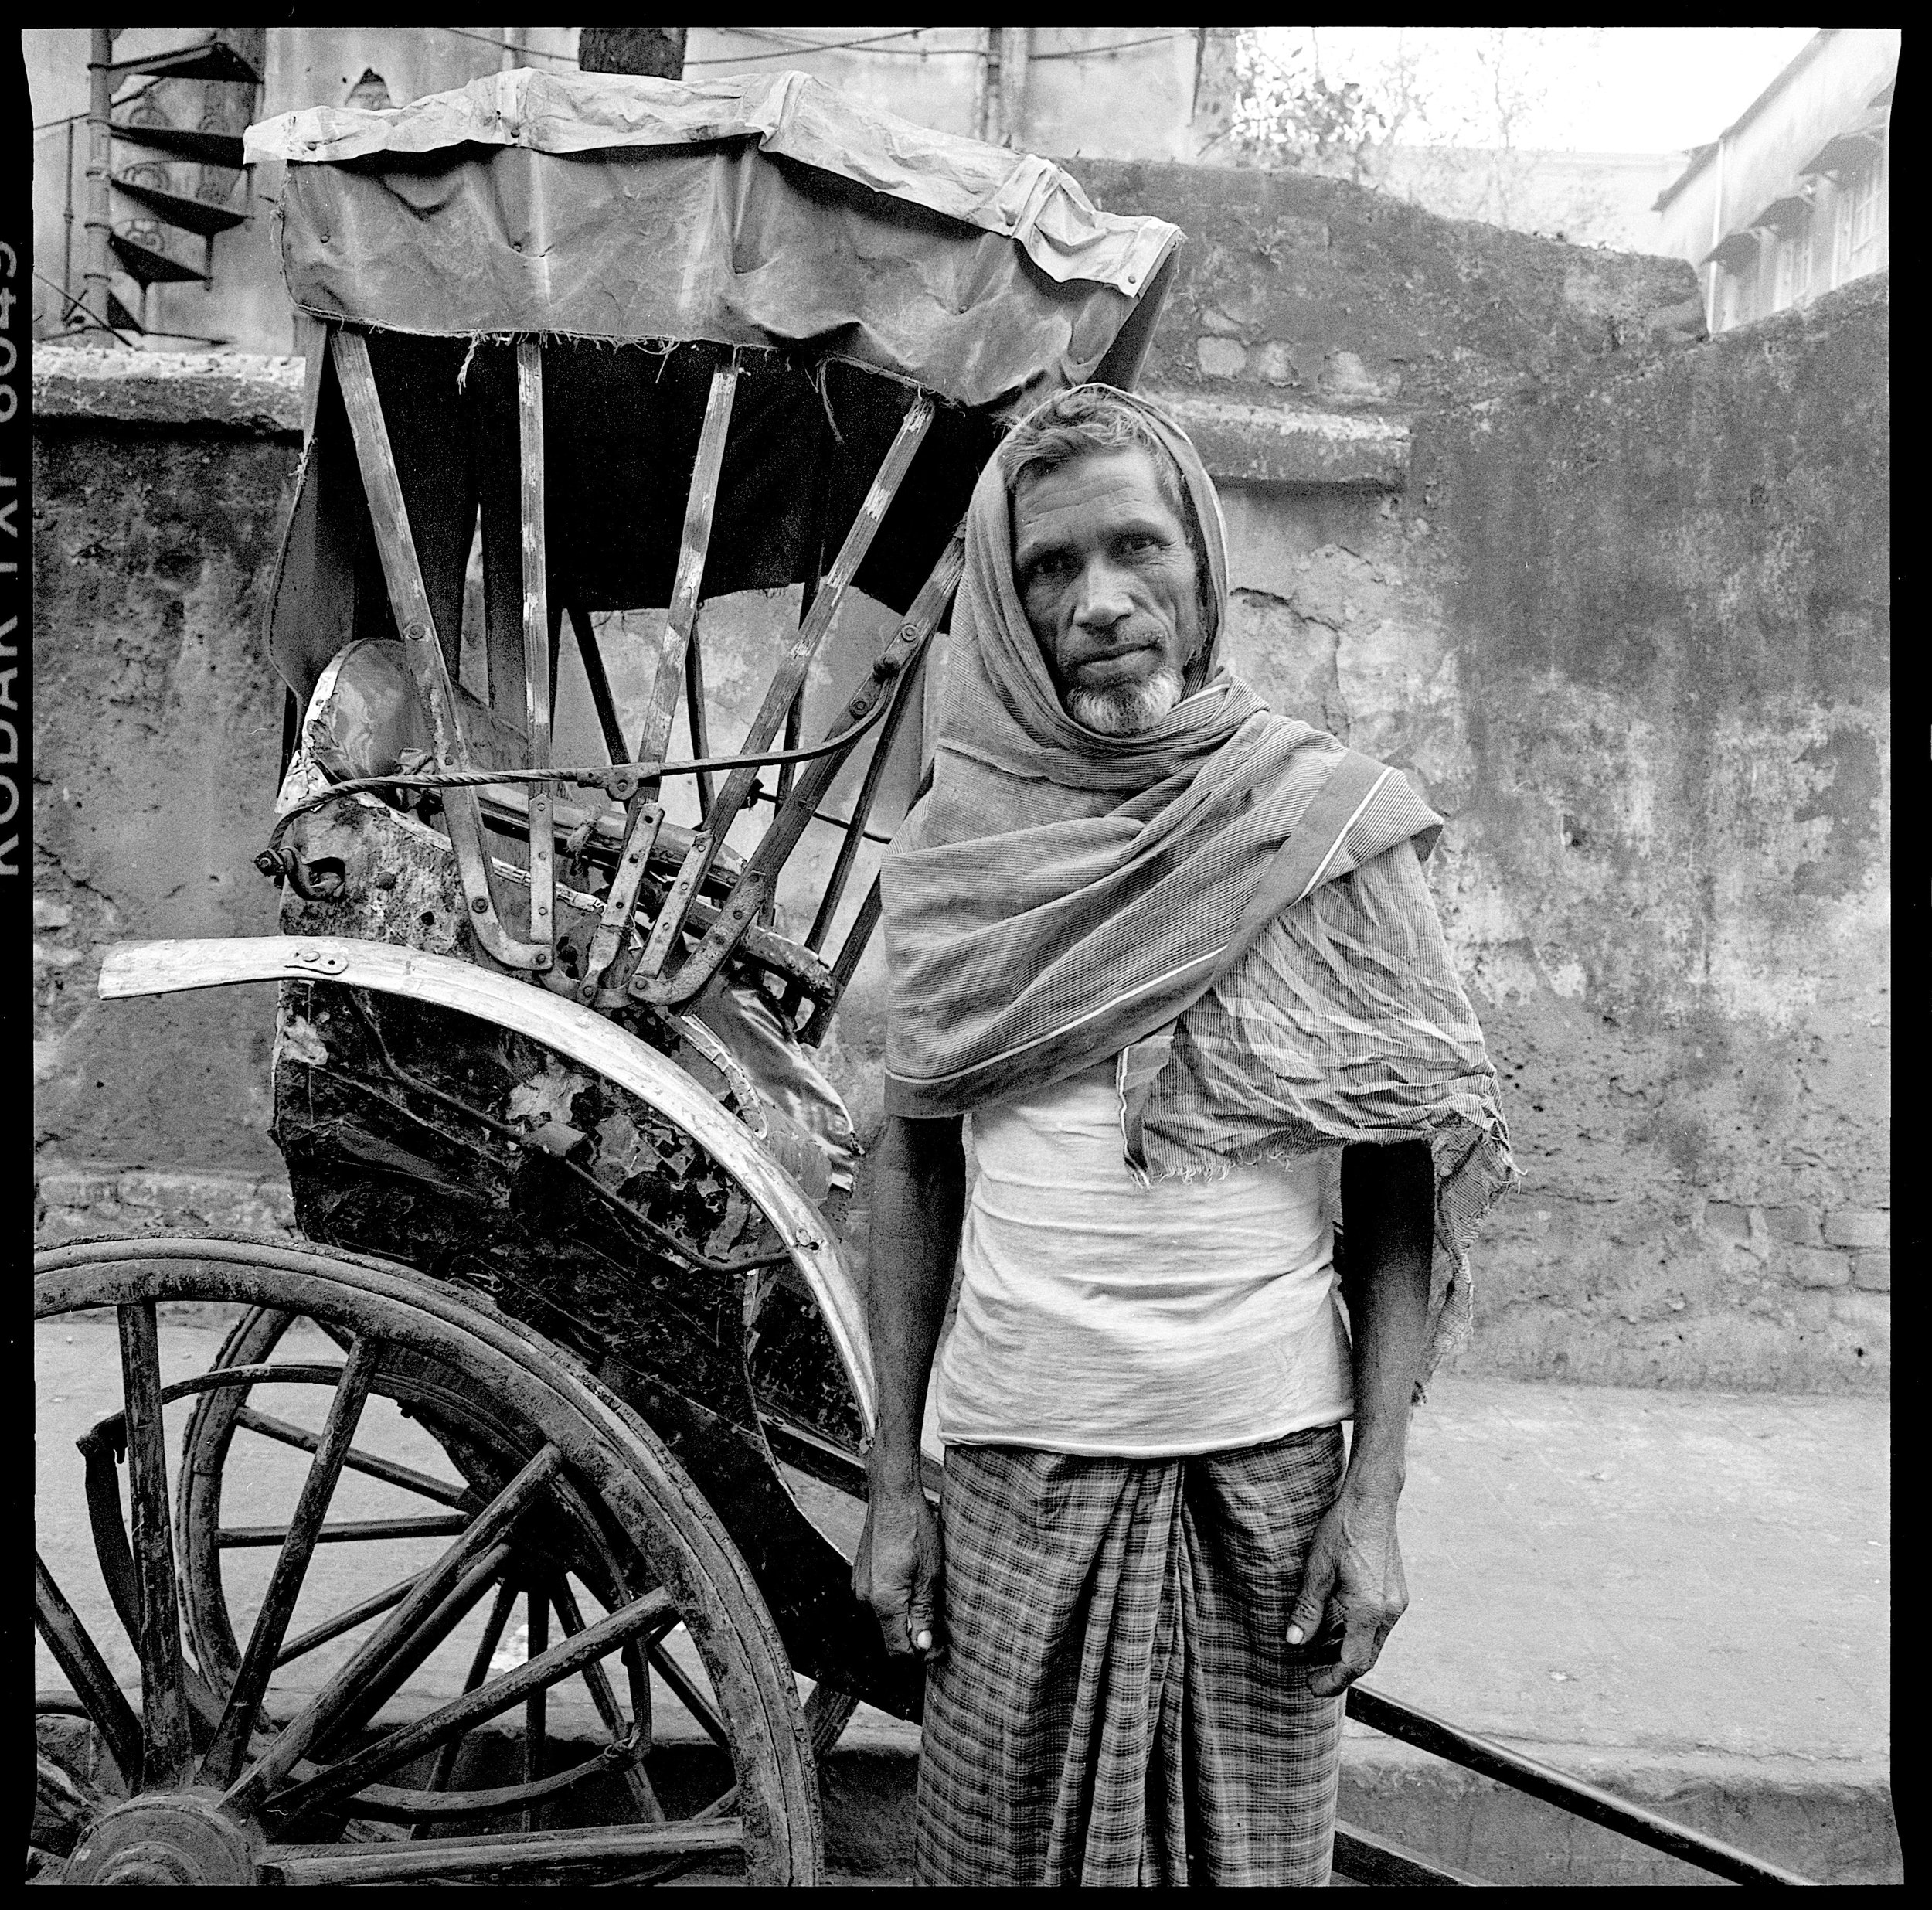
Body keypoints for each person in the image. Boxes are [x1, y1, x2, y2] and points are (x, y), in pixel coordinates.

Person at [853, 384, 1515, 1888]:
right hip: (1016, 1470)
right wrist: (895, 1485)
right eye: (1047, 569)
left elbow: (1391, 1188)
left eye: (1134, 550)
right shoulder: (960, 851)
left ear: (1200, 567)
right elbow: (910, 1156)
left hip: (1264, 1480)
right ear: (1010, 609)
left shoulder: (1318, 828)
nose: (1098, 601)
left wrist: (1372, 1501)